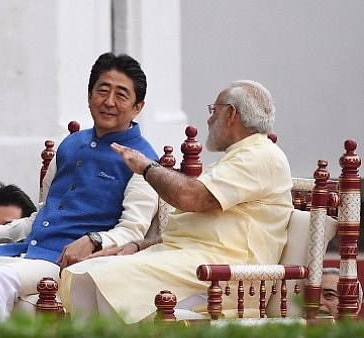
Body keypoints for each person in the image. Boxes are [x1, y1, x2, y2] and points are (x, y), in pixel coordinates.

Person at [0, 52, 159, 329]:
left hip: (67, 264)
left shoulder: (143, 161)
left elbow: (133, 231)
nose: (109, 102)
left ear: (138, 107)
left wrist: (94, 240)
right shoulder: (69, 145)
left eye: (121, 95)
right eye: (102, 91)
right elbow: (41, 215)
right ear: (89, 96)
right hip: (24, 253)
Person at [59, 80, 294, 324]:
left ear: (231, 114)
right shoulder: (240, 157)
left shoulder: (259, 155)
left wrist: (146, 166)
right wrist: (139, 246)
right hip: (191, 262)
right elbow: (202, 229)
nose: (209, 120)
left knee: (108, 278)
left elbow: (190, 197)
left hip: (222, 276)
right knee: (83, 275)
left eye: (214, 111)